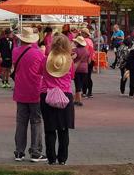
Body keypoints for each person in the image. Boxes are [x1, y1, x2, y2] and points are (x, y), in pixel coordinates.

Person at [39, 34, 75, 165]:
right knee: (63, 130)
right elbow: (71, 76)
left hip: (47, 95)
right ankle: (62, 159)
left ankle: (51, 158)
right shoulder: (69, 61)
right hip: (65, 96)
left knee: (49, 129)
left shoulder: (45, 60)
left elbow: (40, 72)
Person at [12, 27, 46, 162]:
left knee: (21, 122)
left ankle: (19, 152)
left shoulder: (15, 51)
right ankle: (36, 152)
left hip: (20, 90)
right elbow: (43, 71)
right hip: (35, 91)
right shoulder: (38, 54)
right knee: (36, 121)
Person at [72, 36, 91, 106]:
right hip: (85, 69)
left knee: (77, 84)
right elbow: (89, 61)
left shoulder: (75, 50)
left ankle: (79, 100)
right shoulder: (87, 51)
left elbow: (72, 58)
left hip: (77, 68)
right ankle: (77, 100)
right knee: (80, 84)